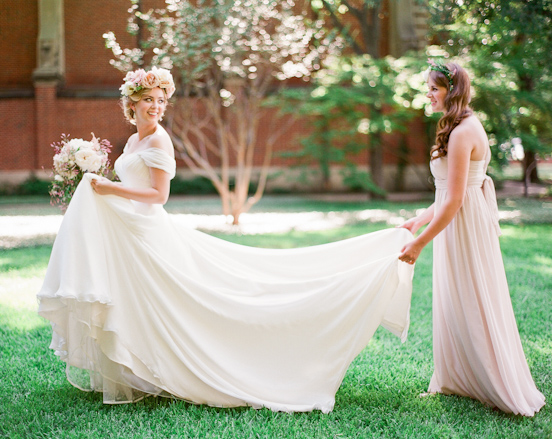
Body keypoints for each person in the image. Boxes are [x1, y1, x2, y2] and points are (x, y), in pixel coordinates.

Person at [37, 66, 415, 413]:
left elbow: (159, 196)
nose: (155, 106)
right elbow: (134, 184)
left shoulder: (159, 141)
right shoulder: (135, 140)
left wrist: (110, 190)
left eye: (160, 100)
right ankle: (142, 371)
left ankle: (187, 367)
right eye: (148, 100)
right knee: (139, 300)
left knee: (178, 302)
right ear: (132, 103)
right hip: (130, 229)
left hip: (149, 230)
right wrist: (101, 184)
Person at [398, 59, 545, 416]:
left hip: (463, 225)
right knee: (453, 297)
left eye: (434, 88)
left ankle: (492, 382)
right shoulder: (457, 125)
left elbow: (456, 200)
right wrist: (418, 221)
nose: (428, 95)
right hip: (456, 220)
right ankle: (455, 379)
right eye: (428, 88)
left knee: (474, 296)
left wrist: (420, 243)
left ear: (452, 91)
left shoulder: (464, 131)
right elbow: (447, 190)